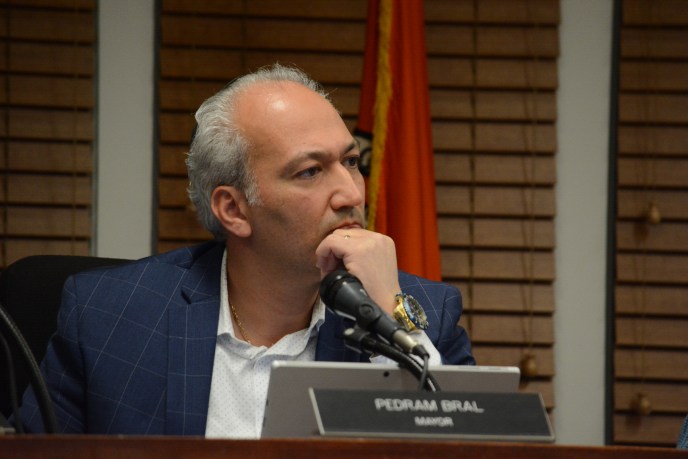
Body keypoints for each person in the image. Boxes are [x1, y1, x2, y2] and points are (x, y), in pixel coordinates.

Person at [17, 63, 474, 437]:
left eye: (351, 162)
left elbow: (463, 446)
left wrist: (391, 320)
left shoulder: (426, 314)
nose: (351, 194)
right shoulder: (109, 320)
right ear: (234, 209)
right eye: (311, 172)